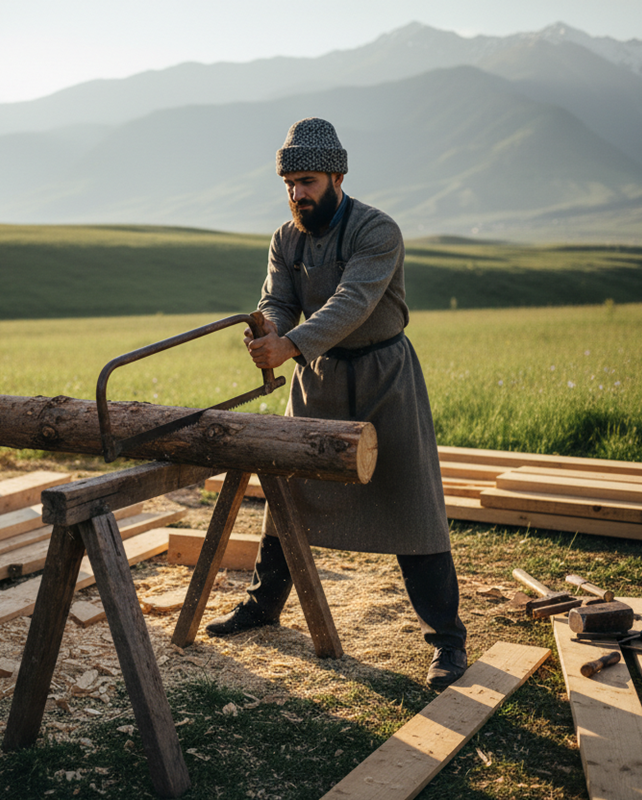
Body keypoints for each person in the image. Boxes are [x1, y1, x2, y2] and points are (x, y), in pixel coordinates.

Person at [204, 117, 467, 691]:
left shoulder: (379, 231)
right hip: (318, 379)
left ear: (337, 176)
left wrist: (289, 343)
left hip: (383, 377)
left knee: (412, 503)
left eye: (308, 181)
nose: (298, 193)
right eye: (290, 184)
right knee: (290, 496)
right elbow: (277, 298)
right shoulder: (285, 238)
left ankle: (447, 640)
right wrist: (267, 331)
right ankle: (263, 606)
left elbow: (353, 302)